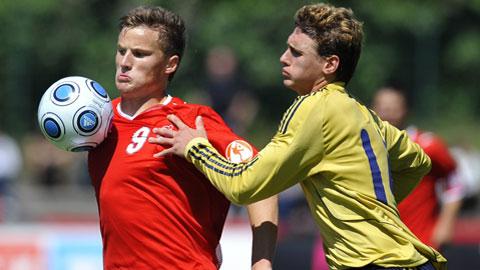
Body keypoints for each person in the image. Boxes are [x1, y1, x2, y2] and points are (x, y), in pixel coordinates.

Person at [149, 3, 447, 269]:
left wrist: (195, 147)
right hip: (411, 260)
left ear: (329, 65)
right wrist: (372, 211)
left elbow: (244, 186)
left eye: (296, 52)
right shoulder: (362, 113)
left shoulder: (313, 108)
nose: (283, 58)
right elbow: (418, 163)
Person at [87, 6, 278, 270]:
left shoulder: (190, 120)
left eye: (140, 54)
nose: (125, 62)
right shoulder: (100, 123)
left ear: (170, 64)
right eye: (121, 51)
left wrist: (261, 263)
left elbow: (263, 180)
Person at [372, 87, 464, 250]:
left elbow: (454, 182)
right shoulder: (365, 148)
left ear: (405, 110)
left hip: (421, 242)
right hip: (378, 246)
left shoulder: (428, 145)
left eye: (394, 108)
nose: (387, 114)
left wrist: (446, 224)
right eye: (383, 108)